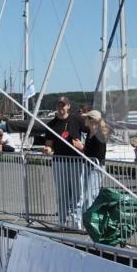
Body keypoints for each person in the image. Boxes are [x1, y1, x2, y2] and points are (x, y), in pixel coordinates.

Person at [43, 96, 85, 229]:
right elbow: (49, 145)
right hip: (59, 161)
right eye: (58, 105)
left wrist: (83, 146)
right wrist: (47, 149)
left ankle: (77, 222)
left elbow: (91, 133)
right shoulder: (51, 124)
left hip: (76, 160)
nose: (61, 108)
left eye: (63, 105)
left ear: (68, 106)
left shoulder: (77, 119)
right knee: (62, 192)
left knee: (77, 192)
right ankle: (62, 221)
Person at [81, 109, 108, 211]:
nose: (84, 120)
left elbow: (99, 154)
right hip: (89, 166)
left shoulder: (99, 134)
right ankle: (88, 214)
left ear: (91, 120)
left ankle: (91, 215)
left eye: (86, 118)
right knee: (88, 193)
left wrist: (82, 148)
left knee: (91, 194)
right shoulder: (90, 133)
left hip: (96, 167)